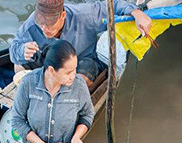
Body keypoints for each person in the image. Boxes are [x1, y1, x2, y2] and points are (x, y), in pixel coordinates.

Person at [10, 0, 152, 86]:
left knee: (81, 81)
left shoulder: (84, 15)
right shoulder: (31, 24)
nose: (44, 29)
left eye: (50, 25)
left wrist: (136, 13)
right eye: (41, 24)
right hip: (51, 61)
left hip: (82, 59)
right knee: (19, 65)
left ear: (63, 16)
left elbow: (115, 4)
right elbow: (14, 49)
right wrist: (22, 50)